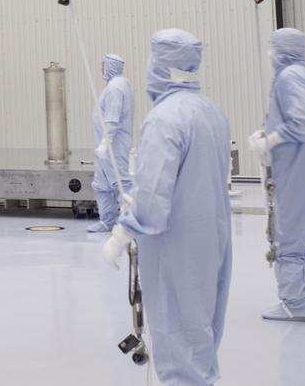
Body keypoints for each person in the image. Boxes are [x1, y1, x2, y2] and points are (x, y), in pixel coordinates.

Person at [103, 30, 231, 386]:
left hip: (177, 248)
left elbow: (153, 201)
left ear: (161, 65)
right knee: (200, 337)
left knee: (177, 344)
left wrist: (121, 231)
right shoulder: (212, 112)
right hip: (211, 242)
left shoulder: (165, 119)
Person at [250, 28, 305, 321]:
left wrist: (271, 140)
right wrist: (268, 133)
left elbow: (304, 120)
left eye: (272, 47)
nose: (269, 53)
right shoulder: (301, 75)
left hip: (298, 169)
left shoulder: (289, 77)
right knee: (300, 232)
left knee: (287, 235)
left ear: (281, 49)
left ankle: (295, 304)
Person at [89, 54, 134, 233]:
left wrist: (104, 145)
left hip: (113, 145)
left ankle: (131, 221)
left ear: (111, 66)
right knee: (103, 184)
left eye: (103, 65)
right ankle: (107, 221)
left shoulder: (116, 88)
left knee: (120, 183)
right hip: (106, 147)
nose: (101, 68)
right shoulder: (115, 85)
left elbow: (112, 120)